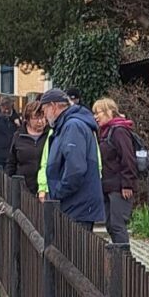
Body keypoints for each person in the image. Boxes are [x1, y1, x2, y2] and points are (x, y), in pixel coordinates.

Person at [38, 88, 105, 230]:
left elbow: (75, 169)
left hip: (77, 206)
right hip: (76, 204)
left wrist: (57, 192)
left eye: (44, 109)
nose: (44, 115)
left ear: (54, 106)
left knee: (74, 251)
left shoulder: (72, 126)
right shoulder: (66, 125)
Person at [93, 97, 139, 244]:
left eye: (98, 112)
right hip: (108, 186)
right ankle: (117, 259)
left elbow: (128, 158)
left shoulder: (119, 131)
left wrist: (127, 184)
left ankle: (124, 260)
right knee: (111, 225)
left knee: (118, 226)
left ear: (109, 112)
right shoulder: (105, 132)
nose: (95, 116)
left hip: (119, 188)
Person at [6, 100, 49, 186]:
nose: (40, 121)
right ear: (28, 119)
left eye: (42, 117)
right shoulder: (18, 136)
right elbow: (11, 163)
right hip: (22, 188)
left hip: (45, 189)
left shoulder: (51, 135)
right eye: (36, 118)